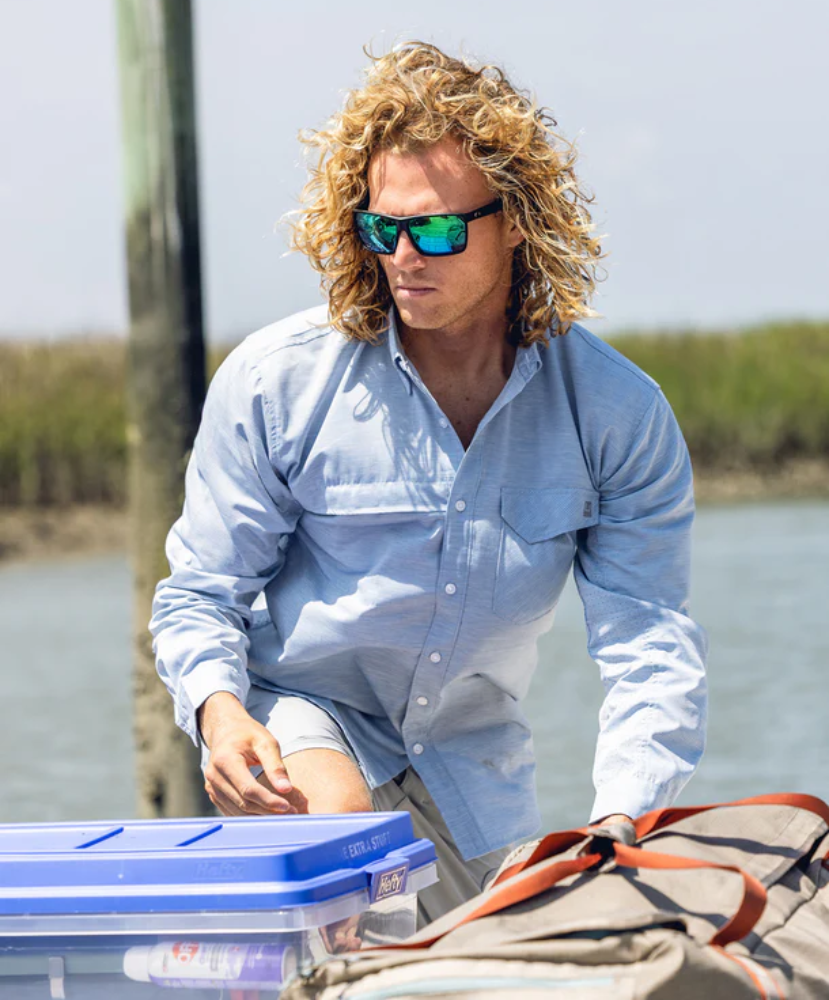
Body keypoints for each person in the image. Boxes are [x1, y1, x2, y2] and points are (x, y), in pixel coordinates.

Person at [150, 41, 708, 926]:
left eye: (439, 229)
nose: (405, 254)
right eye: (384, 227)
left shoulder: (616, 412)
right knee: (337, 839)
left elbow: (648, 641)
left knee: (533, 954)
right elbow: (199, 595)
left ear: (516, 220)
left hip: (472, 760)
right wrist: (219, 715)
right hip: (305, 711)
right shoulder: (273, 381)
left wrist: (617, 821)